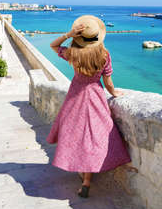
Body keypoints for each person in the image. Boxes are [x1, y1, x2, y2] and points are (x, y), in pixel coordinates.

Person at [47, 15, 131, 198]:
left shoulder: (73, 53)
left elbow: (53, 46)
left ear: (79, 37)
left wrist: (69, 35)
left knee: (76, 134)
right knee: (94, 136)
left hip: (75, 96)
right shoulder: (104, 55)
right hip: (95, 96)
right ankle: (87, 180)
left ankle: (82, 173)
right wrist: (114, 93)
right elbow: (108, 82)